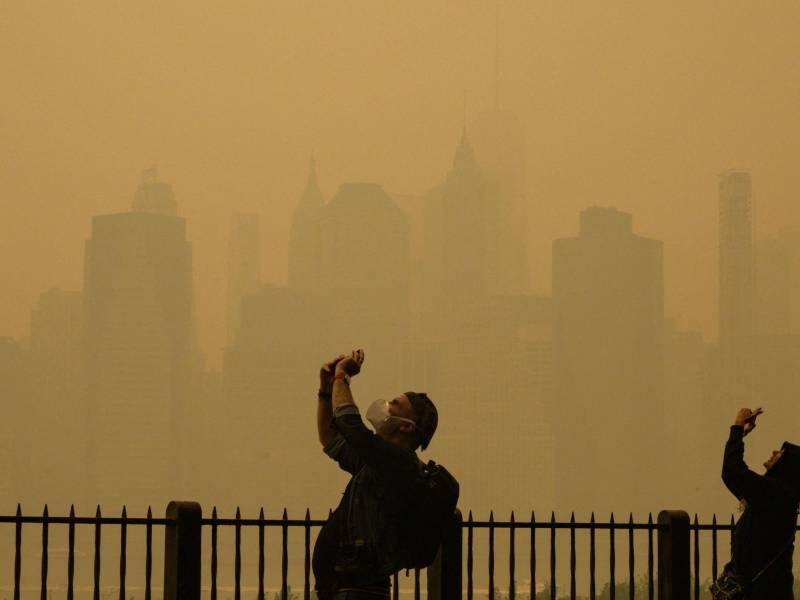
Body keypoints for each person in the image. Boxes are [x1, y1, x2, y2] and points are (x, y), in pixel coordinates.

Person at [313, 349, 442, 600]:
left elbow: (349, 425)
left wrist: (341, 376)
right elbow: (331, 439)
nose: (385, 405)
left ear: (406, 426)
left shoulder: (399, 463)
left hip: (360, 591)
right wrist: (326, 391)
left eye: (394, 404)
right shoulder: (377, 462)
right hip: (344, 589)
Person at [718, 407, 800, 599]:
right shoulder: (780, 495)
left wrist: (737, 428)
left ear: (787, 467)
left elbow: (732, 472)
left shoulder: (775, 493)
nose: (774, 452)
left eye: (781, 453)